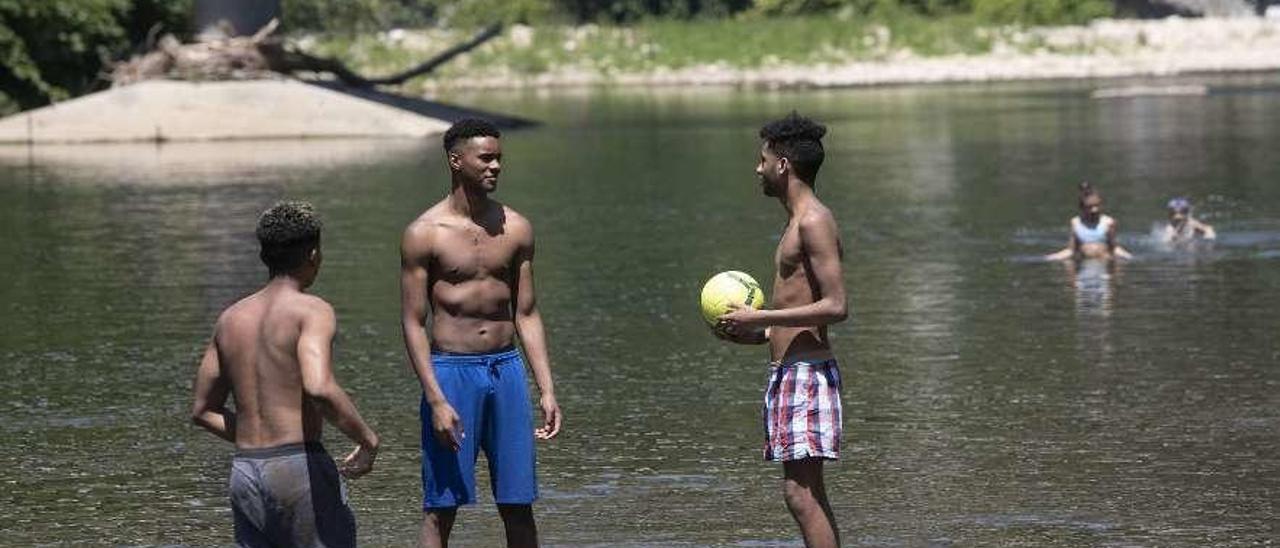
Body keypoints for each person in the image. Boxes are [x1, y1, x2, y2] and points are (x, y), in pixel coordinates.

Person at [400, 118, 562, 548]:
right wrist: (435, 399)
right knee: (441, 506)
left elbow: (526, 313)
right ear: (456, 161)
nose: (495, 167)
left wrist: (546, 388)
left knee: (518, 504)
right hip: (451, 372)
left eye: (499, 159)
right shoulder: (424, 234)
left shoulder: (517, 228)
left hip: (506, 370)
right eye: (485, 158)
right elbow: (414, 322)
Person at [190, 201, 380, 548]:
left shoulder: (231, 318)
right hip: (298, 469)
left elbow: (203, 410)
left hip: (246, 471)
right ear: (313, 254)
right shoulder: (312, 311)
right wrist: (368, 440)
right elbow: (319, 387)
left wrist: (256, 440)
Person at [716, 112, 848, 548]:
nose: (758, 169)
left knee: (800, 495)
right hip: (791, 372)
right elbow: (800, 309)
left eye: (762, 159)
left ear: (783, 165)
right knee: (807, 494)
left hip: (808, 375)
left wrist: (762, 317)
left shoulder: (813, 221)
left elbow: (836, 305)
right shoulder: (795, 222)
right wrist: (756, 334)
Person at [1046, 182, 1133, 261]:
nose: (1094, 210)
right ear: (1082, 208)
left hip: (1104, 264)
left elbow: (1114, 248)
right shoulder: (1075, 223)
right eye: (1090, 207)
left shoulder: (1108, 222)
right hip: (1083, 263)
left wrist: (1129, 257)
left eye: (1097, 206)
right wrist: (1052, 257)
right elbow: (1071, 250)